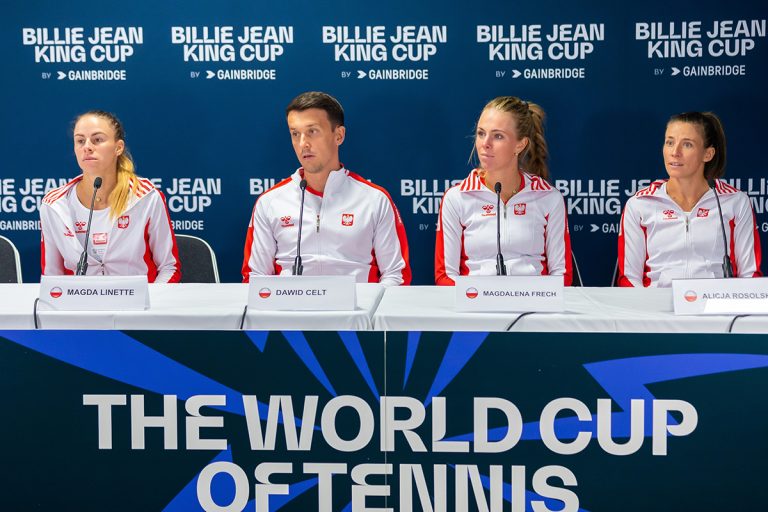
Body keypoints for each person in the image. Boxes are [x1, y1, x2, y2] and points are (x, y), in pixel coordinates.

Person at [241, 91, 411, 285]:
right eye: (295, 134)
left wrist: (365, 305)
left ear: (339, 135)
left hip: (358, 304)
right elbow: (255, 278)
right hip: (289, 305)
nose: (303, 143)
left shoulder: (375, 199)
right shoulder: (270, 202)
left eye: (312, 131)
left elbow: (396, 276)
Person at [435, 96, 572, 285]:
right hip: (475, 302)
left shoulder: (549, 198)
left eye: (498, 136)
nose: (485, 143)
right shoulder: (457, 198)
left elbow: (561, 275)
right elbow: (445, 276)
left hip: (534, 302)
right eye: (481, 133)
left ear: (520, 144)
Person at [617, 111, 762, 287]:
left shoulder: (735, 202)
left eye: (687, 144)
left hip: (715, 302)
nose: (675, 152)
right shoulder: (640, 204)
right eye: (670, 142)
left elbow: (750, 275)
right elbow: (629, 279)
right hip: (656, 303)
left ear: (708, 154)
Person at [40, 110, 181, 282]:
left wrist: (151, 298)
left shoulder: (146, 197)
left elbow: (169, 267)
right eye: (80, 141)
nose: (87, 147)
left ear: (118, 147)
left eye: (97, 140)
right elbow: (52, 277)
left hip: (139, 299)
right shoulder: (55, 205)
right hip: (81, 299)